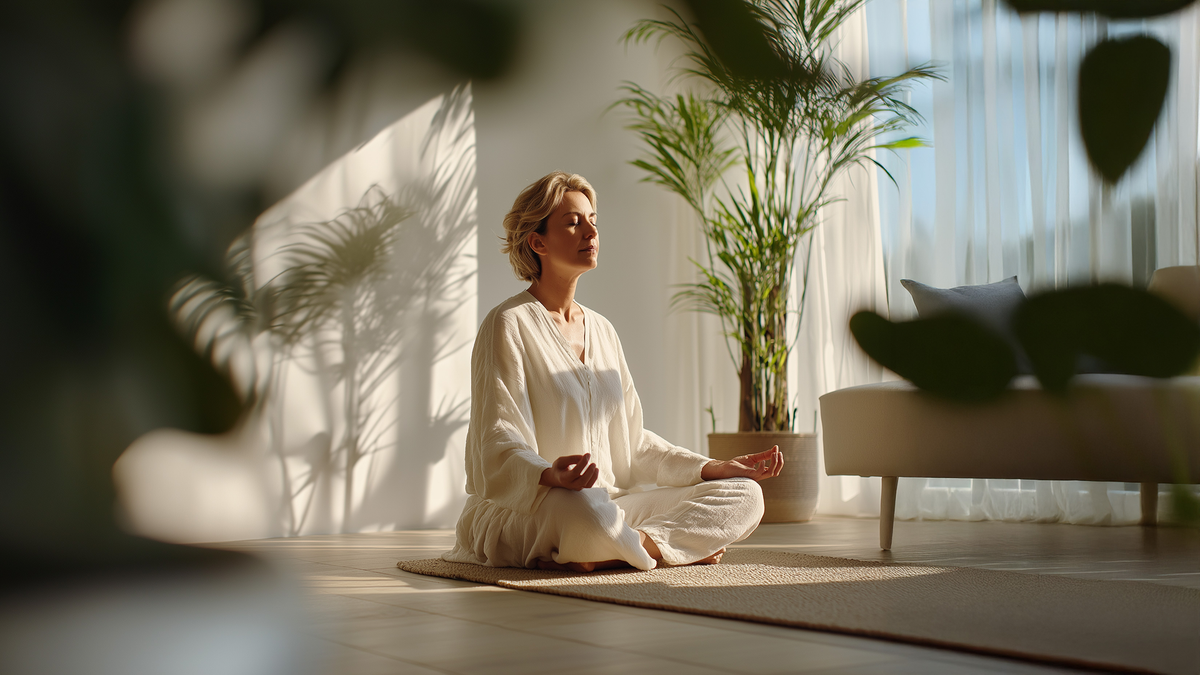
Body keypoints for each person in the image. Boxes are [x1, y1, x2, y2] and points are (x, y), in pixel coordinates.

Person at [441, 171, 782, 572]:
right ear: (538, 242)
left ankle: (624, 548)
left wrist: (710, 468)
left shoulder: (602, 330)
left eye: (592, 221)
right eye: (573, 222)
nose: (591, 231)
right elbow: (496, 438)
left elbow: (633, 443)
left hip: (611, 506)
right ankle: (651, 547)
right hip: (534, 505)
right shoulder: (508, 322)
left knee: (744, 494)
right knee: (582, 508)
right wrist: (548, 475)